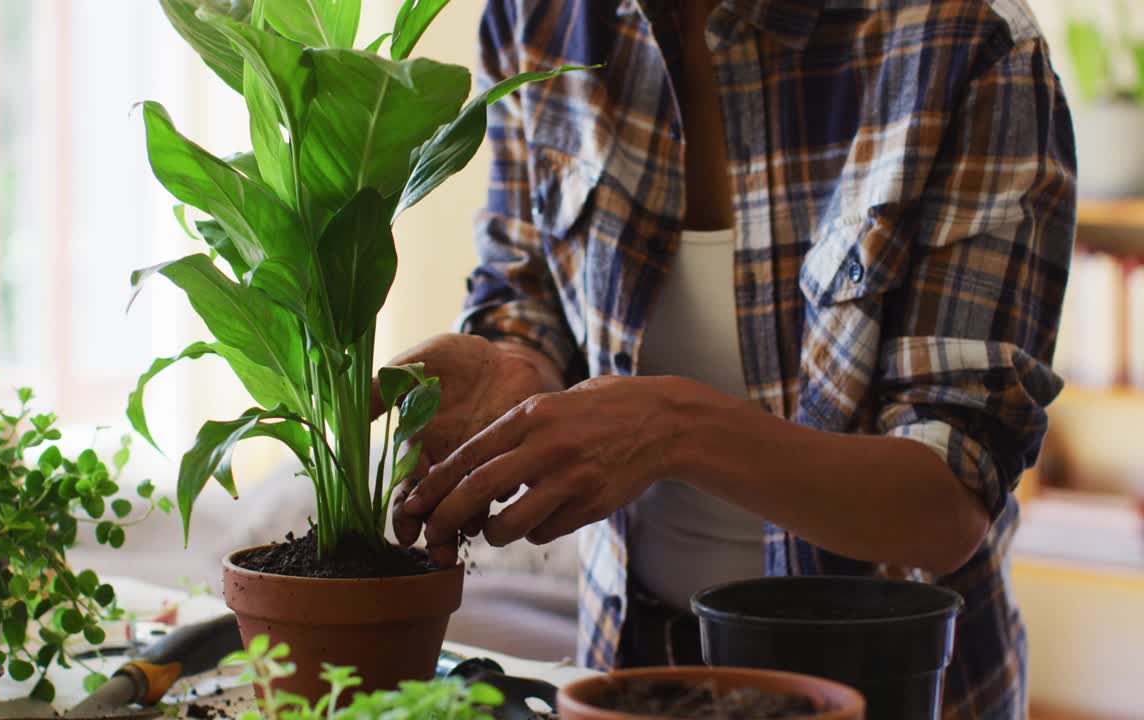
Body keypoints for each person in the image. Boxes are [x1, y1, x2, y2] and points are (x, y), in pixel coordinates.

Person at [381, 1, 1075, 717]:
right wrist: (516, 366)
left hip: (888, 686)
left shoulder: (965, 41)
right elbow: (527, 291)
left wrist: (675, 430)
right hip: (631, 672)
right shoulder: (536, 19)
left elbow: (946, 501)